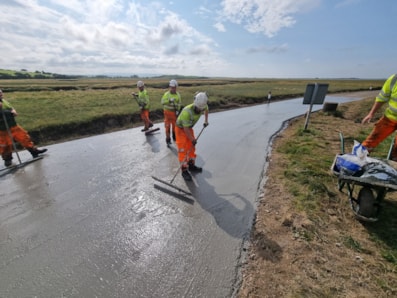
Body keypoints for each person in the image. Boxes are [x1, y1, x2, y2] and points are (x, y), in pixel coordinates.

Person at [0, 89, 47, 166]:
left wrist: (13, 111)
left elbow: (11, 108)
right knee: (5, 144)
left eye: (1, 93)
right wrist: (9, 113)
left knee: (24, 137)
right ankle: (7, 159)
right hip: (2, 129)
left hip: (13, 125)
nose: (1, 94)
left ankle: (34, 151)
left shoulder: (4, 101)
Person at [361, 73, 397, 160]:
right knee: (371, 141)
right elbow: (382, 98)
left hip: (389, 118)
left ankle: (394, 165)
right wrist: (371, 113)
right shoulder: (394, 79)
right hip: (389, 118)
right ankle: (358, 159)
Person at [175, 92, 209, 181]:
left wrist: (206, 121)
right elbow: (185, 129)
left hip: (189, 128)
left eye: (201, 109)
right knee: (183, 149)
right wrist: (192, 139)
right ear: (195, 104)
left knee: (191, 147)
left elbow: (206, 110)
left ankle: (191, 165)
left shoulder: (203, 105)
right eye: (198, 109)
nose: (200, 110)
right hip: (180, 129)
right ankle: (184, 170)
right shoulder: (187, 112)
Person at [161, 79, 182, 145]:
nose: (173, 89)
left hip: (174, 114)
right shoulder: (166, 94)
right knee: (167, 127)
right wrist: (169, 101)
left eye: (174, 88)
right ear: (170, 87)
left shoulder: (178, 95)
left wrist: (178, 110)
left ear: (176, 87)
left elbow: (179, 103)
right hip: (167, 114)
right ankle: (168, 140)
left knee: (174, 127)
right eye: (172, 87)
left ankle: (174, 137)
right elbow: (162, 102)